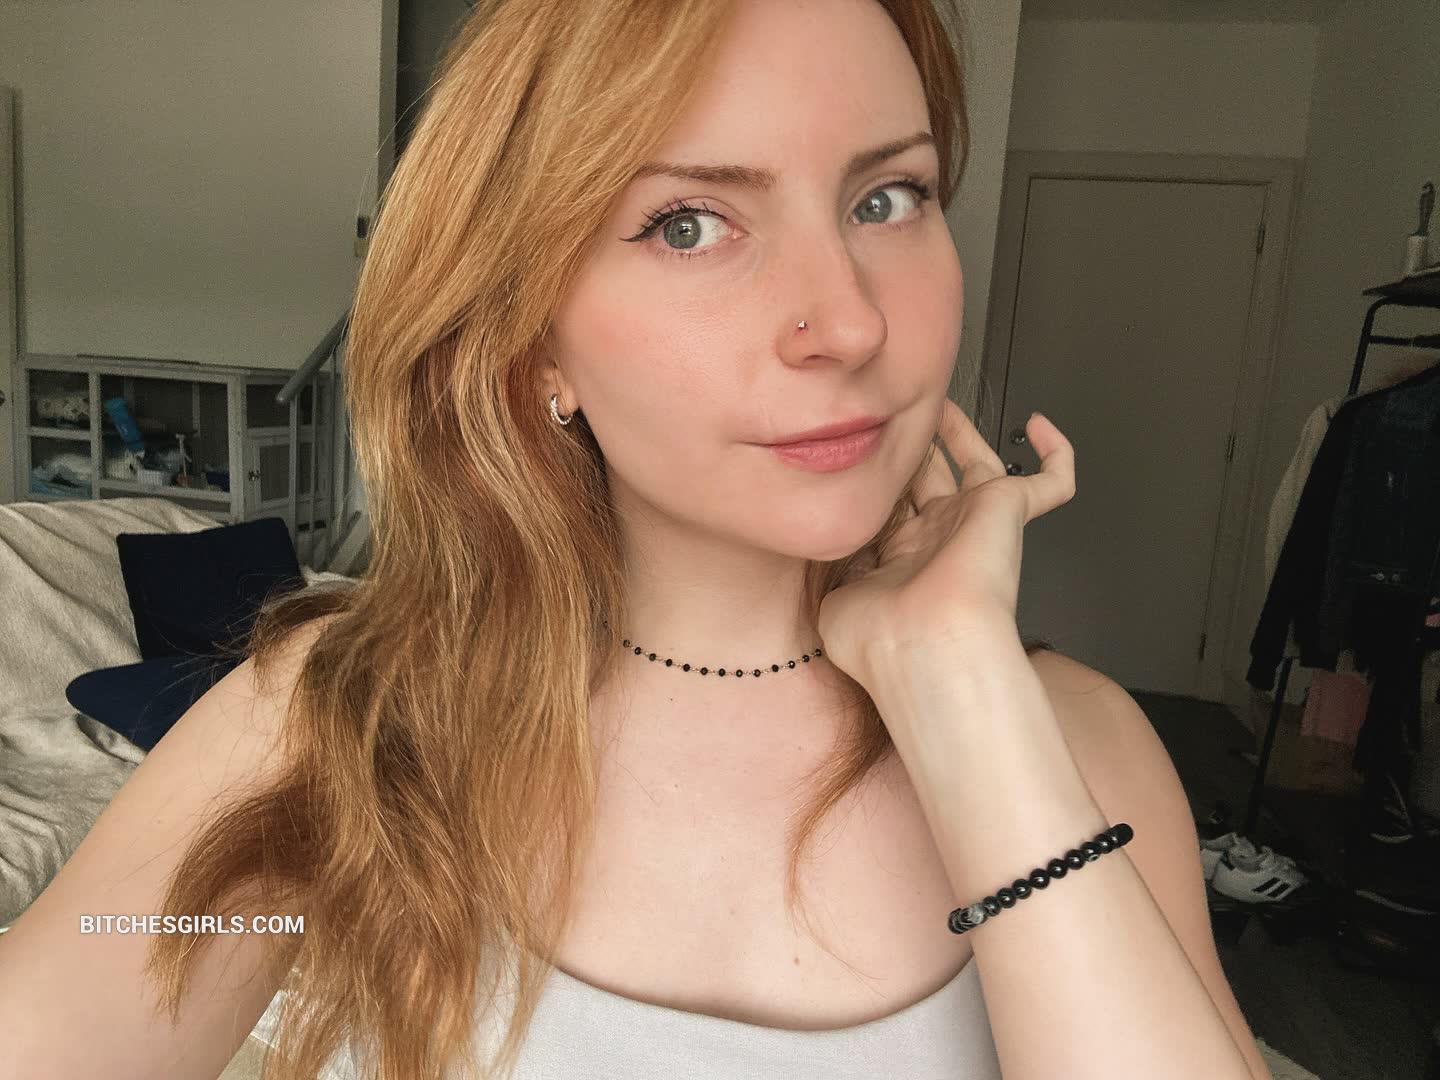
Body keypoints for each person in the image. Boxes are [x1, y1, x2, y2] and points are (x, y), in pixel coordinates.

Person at [0, 1, 1270, 1078]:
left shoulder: (1079, 747)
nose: (849, 323)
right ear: (534, 340)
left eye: (888, 197)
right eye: (688, 223)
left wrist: (962, 689)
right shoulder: (340, 722)